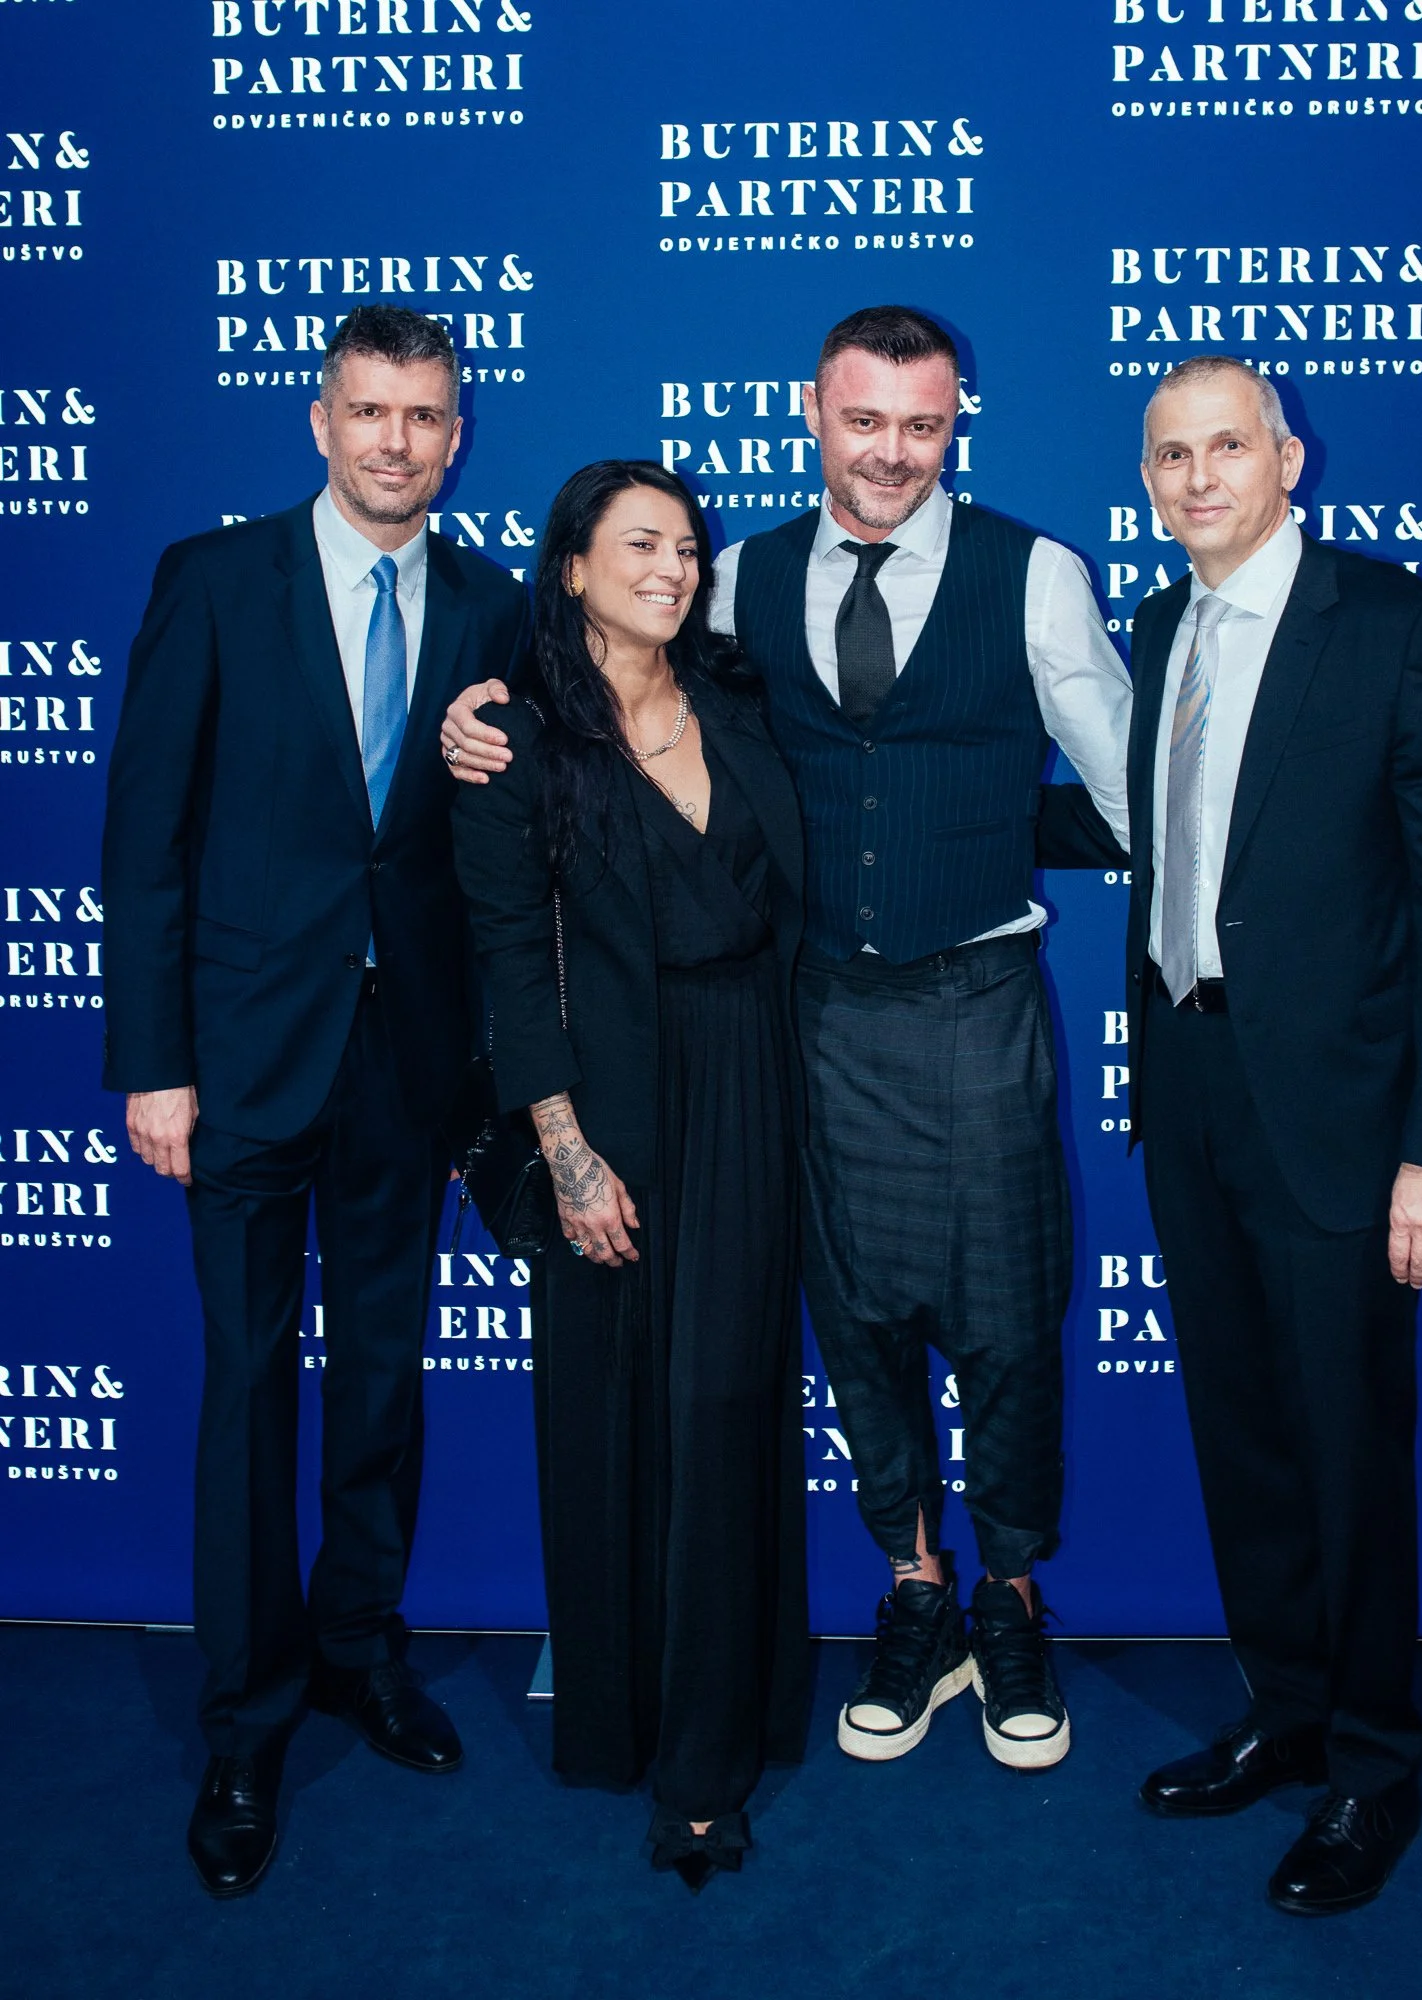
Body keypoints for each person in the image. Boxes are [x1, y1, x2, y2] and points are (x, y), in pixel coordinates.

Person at [443, 307, 1130, 1774]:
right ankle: (915, 1593)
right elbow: (613, 712)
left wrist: (997, 833)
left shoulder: (1037, 574)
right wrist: (472, 715)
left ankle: (1009, 1599)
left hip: (976, 1002)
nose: (891, 454)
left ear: (957, 426)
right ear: (813, 412)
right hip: (805, 1015)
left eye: (923, 426)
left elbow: (1134, 790)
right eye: (863, 420)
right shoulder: (732, 581)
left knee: (1007, 1324)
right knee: (859, 1323)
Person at [1043, 354, 1422, 1914]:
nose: (1193, 480)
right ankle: (1290, 1712)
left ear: (1288, 458)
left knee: (1346, 1451)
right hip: (1189, 1092)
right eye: (1168, 455)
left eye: (1224, 448)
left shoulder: (1396, 629)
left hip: (1342, 1123)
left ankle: (1376, 1767)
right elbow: (1159, 832)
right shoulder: (1165, 626)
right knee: (1244, 1436)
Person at [101, 305, 531, 1898]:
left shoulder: (491, 607)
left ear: (457, 432)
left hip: (409, 1062)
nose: (397, 443)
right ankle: (245, 1716)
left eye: (425, 416)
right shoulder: (212, 583)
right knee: (247, 1384)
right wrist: (154, 1058)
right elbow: (142, 839)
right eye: (369, 412)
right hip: (239, 1062)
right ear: (318, 419)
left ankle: (363, 1647)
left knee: (381, 1378)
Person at [450, 461, 810, 1890]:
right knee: (610, 1423)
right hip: (601, 1107)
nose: (673, 566)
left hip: (750, 1087)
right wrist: (568, 1152)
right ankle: (623, 1719)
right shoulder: (517, 743)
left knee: (726, 1410)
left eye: (689, 546)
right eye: (640, 545)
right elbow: (506, 964)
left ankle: (713, 1753)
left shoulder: (737, 697)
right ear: (575, 568)